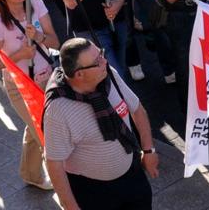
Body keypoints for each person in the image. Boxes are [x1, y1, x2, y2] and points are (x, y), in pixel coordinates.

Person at [43, 38, 158, 210]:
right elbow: (54, 163)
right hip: (93, 192)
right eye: (97, 61)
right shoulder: (57, 110)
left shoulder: (107, 75)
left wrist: (148, 150)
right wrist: (71, 206)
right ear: (79, 74)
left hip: (132, 174)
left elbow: (138, 110)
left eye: (101, 54)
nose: (105, 61)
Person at [0, 0, 60, 191]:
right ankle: (65, 187)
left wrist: (37, 37)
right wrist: (20, 54)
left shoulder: (36, 3)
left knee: (36, 127)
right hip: (21, 87)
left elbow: (55, 42)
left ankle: (30, 174)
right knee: (48, 136)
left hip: (48, 80)